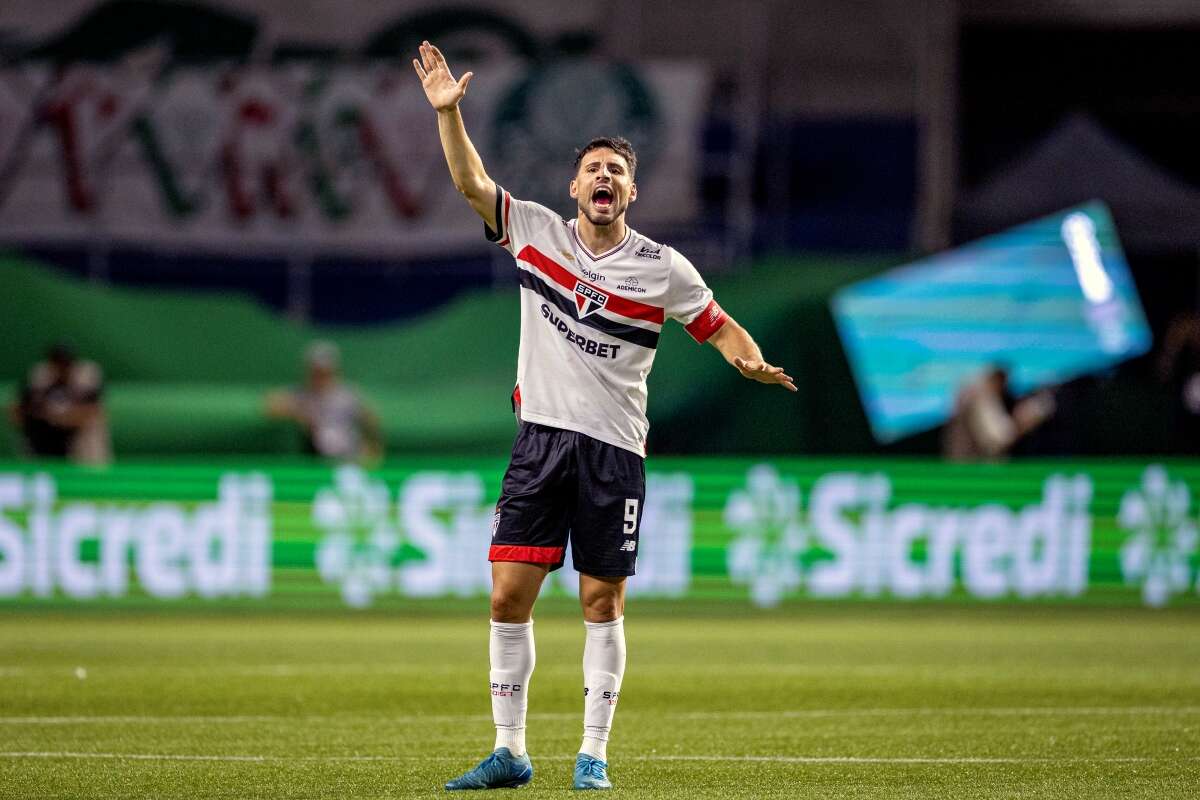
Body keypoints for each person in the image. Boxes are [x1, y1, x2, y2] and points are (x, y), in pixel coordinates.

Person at [413, 41, 795, 791]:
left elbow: (718, 325)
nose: (604, 178)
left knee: (601, 597)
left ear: (630, 193)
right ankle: (511, 751)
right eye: (594, 169)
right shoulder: (534, 231)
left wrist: (745, 358)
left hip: (614, 451)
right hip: (541, 442)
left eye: (617, 171)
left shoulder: (663, 268)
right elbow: (469, 181)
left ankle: (593, 753)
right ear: (574, 185)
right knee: (506, 594)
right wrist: (449, 115)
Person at [264, 341, 382, 462]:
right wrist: (298, 414)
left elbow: (370, 420)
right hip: (317, 458)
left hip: (350, 457)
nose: (321, 377)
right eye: (317, 372)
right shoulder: (302, 393)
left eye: (325, 372)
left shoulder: (347, 395)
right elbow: (270, 406)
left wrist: (373, 449)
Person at [9, 342, 111, 465]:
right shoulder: (40, 375)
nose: (62, 368)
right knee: (35, 434)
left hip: (76, 429)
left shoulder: (86, 374)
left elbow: (92, 410)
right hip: (45, 430)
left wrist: (62, 418)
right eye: (58, 364)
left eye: (66, 364)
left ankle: (93, 476)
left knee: (92, 431)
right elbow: (16, 409)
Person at [942, 364, 1055, 462]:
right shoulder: (981, 394)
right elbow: (998, 439)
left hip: (965, 471)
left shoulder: (973, 390)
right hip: (974, 476)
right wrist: (1024, 419)